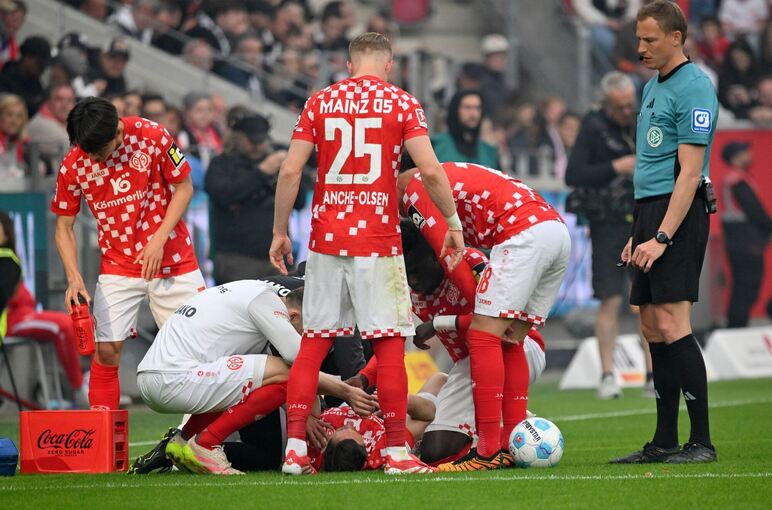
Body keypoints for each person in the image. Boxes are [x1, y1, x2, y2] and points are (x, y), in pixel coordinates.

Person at [269, 32, 464, 476]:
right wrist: (452, 223)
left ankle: (295, 449)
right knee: (389, 347)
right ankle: (397, 451)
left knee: (312, 346)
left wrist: (280, 231)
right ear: (390, 64)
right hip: (377, 240)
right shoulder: (401, 102)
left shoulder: (319, 101)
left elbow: (290, 169)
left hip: (326, 241)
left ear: (348, 62)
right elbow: (430, 170)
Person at [400, 161, 569, 471]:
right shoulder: (441, 175)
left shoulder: (415, 189)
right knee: (510, 335)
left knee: (485, 332)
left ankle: (488, 450)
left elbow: (446, 253)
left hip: (522, 233)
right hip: (552, 230)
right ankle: (511, 437)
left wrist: (468, 316)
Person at [612, 0, 719, 464]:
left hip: (680, 213)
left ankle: (702, 443)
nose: (641, 48)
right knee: (652, 325)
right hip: (651, 212)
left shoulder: (695, 86)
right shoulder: (654, 85)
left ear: (677, 37)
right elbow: (654, 169)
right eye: (639, 39)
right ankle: (664, 441)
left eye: (650, 39)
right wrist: (642, 230)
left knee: (674, 322)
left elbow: (689, 172)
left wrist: (662, 236)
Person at [50, 97, 205, 411]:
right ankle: (101, 443)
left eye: (101, 149)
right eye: (92, 150)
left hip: (173, 260)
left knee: (196, 351)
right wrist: (73, 277)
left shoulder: (152, 134)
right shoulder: (73, 164)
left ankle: (198, 442)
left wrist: (159, 237)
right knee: (106, 352)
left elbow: (184, 187)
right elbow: (63, 226)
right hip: (118, 267)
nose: (94, 157)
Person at [134, 280, 376, 475]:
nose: (311, 340)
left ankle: (182, 440)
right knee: (288, 373)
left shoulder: (255, 294)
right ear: (292, 316)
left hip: (159, 377)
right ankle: (206, 444)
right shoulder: (265, 301)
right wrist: (345, 391)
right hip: (175, 379)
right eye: (307, 332)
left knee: (258, 378)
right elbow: (298, 362)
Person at [359, 218, 547, 466]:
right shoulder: (410, 290)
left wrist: (438, 324)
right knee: (435, 453)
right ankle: (513, 429)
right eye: (407, 273)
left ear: (436, 256)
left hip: (519, 349)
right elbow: (393, 340)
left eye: (416, 270)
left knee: (437, 448)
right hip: (471, 366)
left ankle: (504, 435)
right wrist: (364, 378)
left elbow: (505, 322)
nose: (412, 280)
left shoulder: (469, 262)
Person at [565, 71, 638, 399]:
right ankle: (608, 374)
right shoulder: (593, 127)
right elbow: (574, 174)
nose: (626, 112)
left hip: (641, 219)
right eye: (619, 107)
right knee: (610, 298)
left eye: (629, 106)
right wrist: (617, 167)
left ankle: (653, 374)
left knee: (645, 300)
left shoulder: (641, 120)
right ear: (606, 104)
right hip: (608, 223)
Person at [0, 210, 85, 404]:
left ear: (6, 232)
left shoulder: (7, 259)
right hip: (12, 320)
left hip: (19, 315)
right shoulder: (7, 259)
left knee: (72, 323)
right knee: (62, 325)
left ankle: (82, 383)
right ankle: (79, 388)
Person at [206, 114, 302, 283]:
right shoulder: (222, 164)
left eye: (261, 140)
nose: (257, 145)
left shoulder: (277, 162)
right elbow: (223, 195)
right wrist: (262, 172)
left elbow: (299, 202)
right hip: (236, 258)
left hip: (275, 256)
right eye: (251, 141)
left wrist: (288, 174)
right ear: (238, 138)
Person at [719, 142, 772, 328]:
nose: (749, 155)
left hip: (738, 241)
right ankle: (736, 328)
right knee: (746, 287)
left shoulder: (731, 179)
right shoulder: (737, 180)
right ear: (735, 158)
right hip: (746, 242)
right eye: (744, 152)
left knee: (742, 286)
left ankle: (736, 327)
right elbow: (755, 211)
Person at [431, 90, 498, 168]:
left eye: (478, 108)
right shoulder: (436, 145)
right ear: (456, 110)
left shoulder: (489, 151)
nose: (474, 114)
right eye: (467, 107)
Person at [27, 83, 76, 173]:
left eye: (69, 100)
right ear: (48, 101)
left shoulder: (68, 122)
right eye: (59, 99)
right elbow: (74, 151)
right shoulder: (41, 124)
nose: (65, 105)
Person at [0, 35, 50, 116]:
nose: (42, 69)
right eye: (39, 64)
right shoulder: (5, 78)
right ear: (27, 58)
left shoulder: (38, 89)